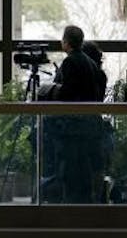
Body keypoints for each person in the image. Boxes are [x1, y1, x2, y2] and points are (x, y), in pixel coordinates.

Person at [40, 25, 106, 203]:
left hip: (73, 126)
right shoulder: (90, 63)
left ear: (66, 42)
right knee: (83, 167)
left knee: (70, 167)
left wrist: (51, 90)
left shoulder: (70, 61)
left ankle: (70, 204)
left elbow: (68, 93)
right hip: (88, 124)